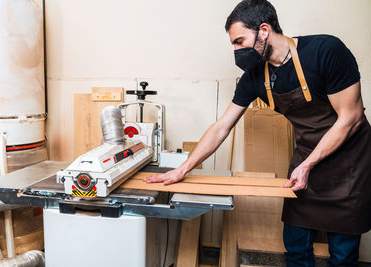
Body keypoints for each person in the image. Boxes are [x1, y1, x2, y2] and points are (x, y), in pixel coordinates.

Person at [145, 0, 371, 266]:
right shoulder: (255, 77)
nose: (237, 50)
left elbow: (351, 118)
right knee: (297, 249)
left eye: (240, 41)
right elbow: (222, 126)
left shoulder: (326, 51)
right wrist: (183, 169)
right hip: (307, 155)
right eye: (234, 44)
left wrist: (308, 164)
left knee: (343, 257)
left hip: (349, 162)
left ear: (263, 30)